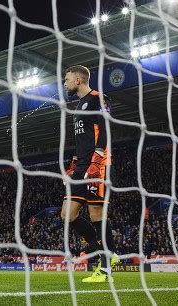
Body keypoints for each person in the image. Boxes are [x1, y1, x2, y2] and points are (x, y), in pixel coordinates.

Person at [61, 65, 119, 283]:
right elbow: (82, 140)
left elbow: (105, 129)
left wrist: (97, 159)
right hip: (81, 166)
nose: (64, 83)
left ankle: (104, 272)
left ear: (78, 80)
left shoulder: (98, 98)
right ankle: (109, 253)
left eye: (66, 79)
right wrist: (74, 164)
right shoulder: (78, 106)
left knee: (96, 214)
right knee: (68, 215)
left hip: (98, 164)